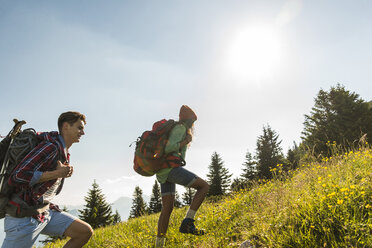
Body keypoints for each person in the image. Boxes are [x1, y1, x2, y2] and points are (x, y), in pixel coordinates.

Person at [2, 111, 93, 248]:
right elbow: (18, 176)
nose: (83, 133)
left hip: (43, 211)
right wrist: (56, 173)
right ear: (66, 126)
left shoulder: (64, 151)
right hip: (24, 218)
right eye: (79, 128)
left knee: (84, 232)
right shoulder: (50, 147)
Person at [155, 105, 209, 248]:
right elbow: (168, 148)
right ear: (188, 120)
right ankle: (188, 222)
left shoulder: (176, 128)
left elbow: (175, 152)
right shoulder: (180, 129)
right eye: (192, 122)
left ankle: (159, 245)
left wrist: (186, 142)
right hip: (171, 169)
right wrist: (186, 140)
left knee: (167, 208)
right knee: (204, 186)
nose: (193, 125)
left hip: (163, 171)